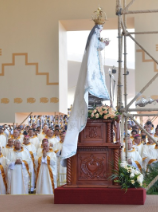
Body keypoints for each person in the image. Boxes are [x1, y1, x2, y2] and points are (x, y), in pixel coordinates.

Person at [61, 8, 110, 160]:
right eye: (100, 29)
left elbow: (97, 47)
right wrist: (104, 44)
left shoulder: (94, 40)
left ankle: (95, 95)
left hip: (96, 65)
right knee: (93, 79)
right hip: (93, 68)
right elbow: (97, 46)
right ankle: (93, 93)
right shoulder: (94, 38)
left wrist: (103, 44)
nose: (101, 31)